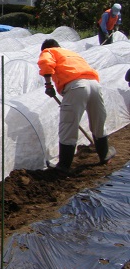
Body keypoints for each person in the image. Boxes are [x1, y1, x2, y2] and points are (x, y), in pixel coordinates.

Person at [39, 39, 116, 174]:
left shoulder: (49, 51)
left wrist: (48, 85)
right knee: (98, 122)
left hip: (77, 87)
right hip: (95, 85)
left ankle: (63, 166)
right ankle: (104, 155)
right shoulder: (71, 53)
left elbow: (46, 63)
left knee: (69, 125)